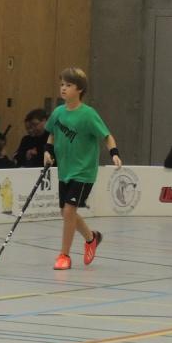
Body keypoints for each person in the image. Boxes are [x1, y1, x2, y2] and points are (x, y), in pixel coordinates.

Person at [43, 67, 122, 270]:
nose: (63, 88)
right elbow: (52, 133)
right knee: (65, 212)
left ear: (79, 89)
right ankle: (91, 238)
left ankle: (64, 255)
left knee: (69, 210)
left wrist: (114, 153)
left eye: (68, 85)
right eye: (62, 84)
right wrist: (47, 151)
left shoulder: (88, 115)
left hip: (84, 171)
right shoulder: (58, 113)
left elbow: (106, 136)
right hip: (65, 170)